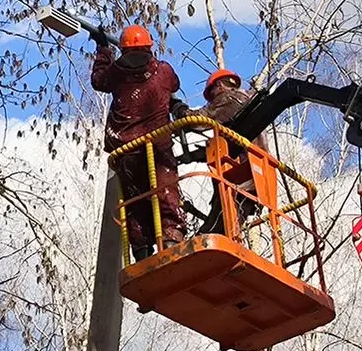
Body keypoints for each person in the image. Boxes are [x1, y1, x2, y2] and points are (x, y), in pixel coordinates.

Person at [90, 24, 186, 261]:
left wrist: (103, 49)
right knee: (165, 193)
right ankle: (172, 241)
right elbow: (174, 84)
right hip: (157, 145)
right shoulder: (162, 71)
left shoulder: (115, 73)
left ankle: (142, 251)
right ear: (149, 47)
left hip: (126, 148)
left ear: (122, 49)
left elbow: (98, 81)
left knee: (135, 202)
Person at [173, 68, 264, 234]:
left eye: (212, 93)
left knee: (218, 226)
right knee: (229, 222)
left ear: (220, 85)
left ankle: (205, 239)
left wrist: (178, 109)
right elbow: (226, 146)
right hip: (253, 173)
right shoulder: (246, 105)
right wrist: (188, 156)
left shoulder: (229, 98)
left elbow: (196, 120)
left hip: (239, 175)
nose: (213, 99)